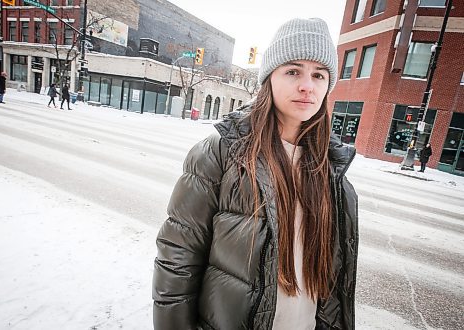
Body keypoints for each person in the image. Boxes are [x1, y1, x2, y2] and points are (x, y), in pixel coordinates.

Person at [152, 17, 358, 329]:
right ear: (269, 79)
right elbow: (177, 259)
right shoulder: (222, 152)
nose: (307, 85)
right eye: (293, 71)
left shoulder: (332, 169)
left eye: (319, 74)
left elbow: (334, 283)